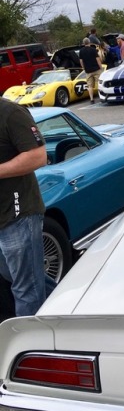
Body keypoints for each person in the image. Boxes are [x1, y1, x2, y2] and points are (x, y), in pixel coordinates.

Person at [0, 98, 56, 316]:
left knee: (25, 289)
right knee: (22, 278)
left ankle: (27, 345)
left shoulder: (10, 113)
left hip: (18, 213)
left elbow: (38, 156)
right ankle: (70, 305)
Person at [79, 37, 102, 104]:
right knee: (99, 83)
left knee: (90, 86)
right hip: (96, 69)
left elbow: (81, 61)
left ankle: (91, 99)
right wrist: (101, 67)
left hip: (88, 71)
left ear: (83, 43)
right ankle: (100, 96)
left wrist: (84, 68)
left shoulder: (81, 51)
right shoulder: (93, 50)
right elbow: (98, 59)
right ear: (89, 42)